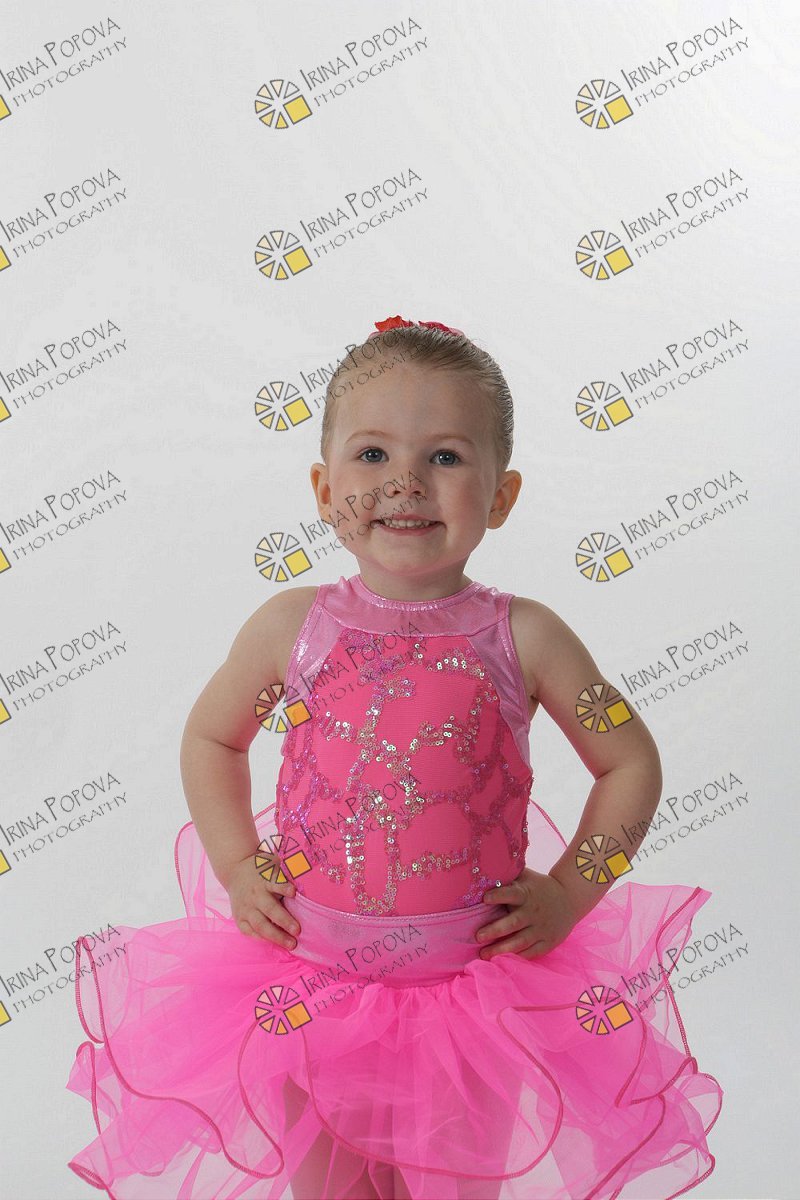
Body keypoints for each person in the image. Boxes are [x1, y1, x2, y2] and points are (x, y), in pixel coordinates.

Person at [65, 315, 723, 1199]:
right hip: (310, 985)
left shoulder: (528, 637)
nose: (405, 482)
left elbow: (630, 763)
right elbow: (212, 737)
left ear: (501, 496)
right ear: (323, 486)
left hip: (473, 1001)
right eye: (372, 454)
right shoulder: (290, 628)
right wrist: (237, 866)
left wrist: (572, 892)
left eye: (445, 457)